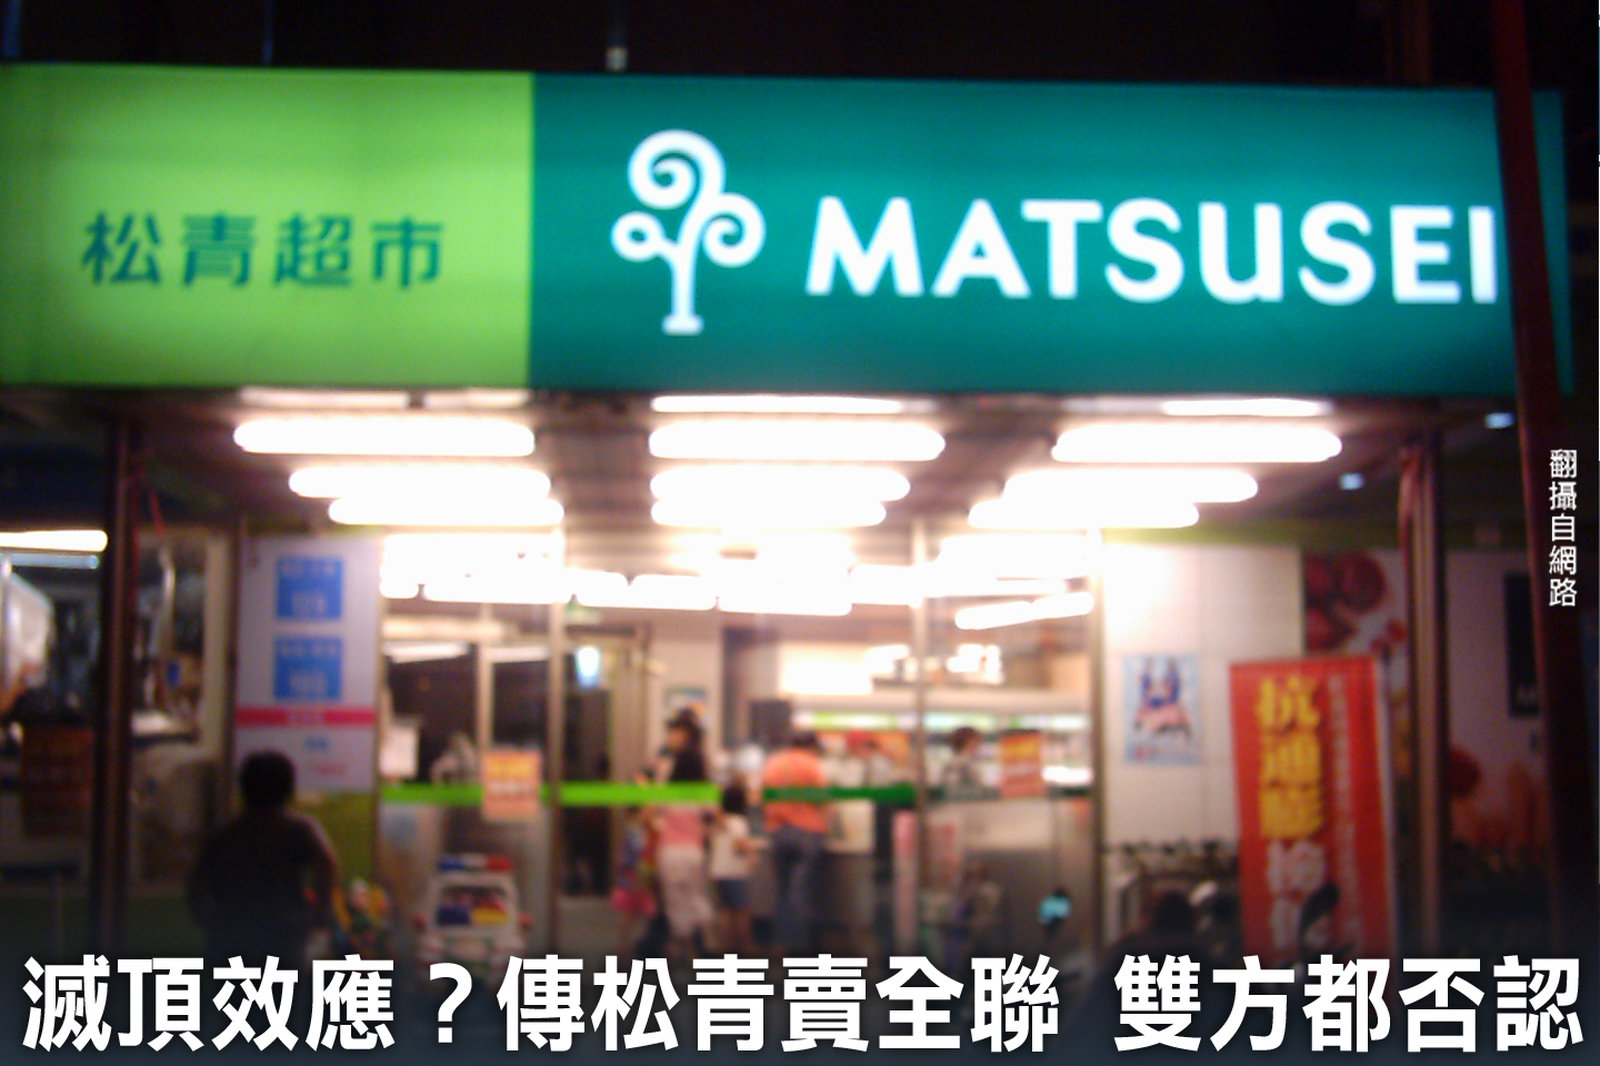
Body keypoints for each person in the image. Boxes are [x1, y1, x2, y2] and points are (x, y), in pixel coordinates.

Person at [187, 751, 338, 968]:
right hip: (284, 932)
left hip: (231, 934)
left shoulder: (225, 834)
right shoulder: (298, 829)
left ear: (244, 787)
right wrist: (319, 916)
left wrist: (211, 922)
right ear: (288, 789)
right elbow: (326, 864)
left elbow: (196, 887)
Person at [650, 709, 714, 963]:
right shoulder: (703, 783)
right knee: (695, 894)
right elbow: (712, 815)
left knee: (675, 900)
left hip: (670, 848)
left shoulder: (666, 773)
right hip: (695, 849)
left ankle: (681, 946)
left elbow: (652, 808)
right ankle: (701, 942)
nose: (669, 737)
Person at [761, 730, 829, 956]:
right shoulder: (811, 764)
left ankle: (783, 945)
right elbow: (822, 798)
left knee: (783, 890)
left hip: (778, 831)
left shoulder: (773, 763)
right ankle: (802, 951)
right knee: (802, 890)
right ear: (811, 747)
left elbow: (764, 795)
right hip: (808, 831)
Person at [707, 783, 756, 955]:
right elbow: (739, 846)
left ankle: (726, 948)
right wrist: (751, 849)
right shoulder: (739, 822)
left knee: (725, 911)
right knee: (742, 911)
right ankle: (744, 948)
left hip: (718, 872)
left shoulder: (719, 823)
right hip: (735, 872)